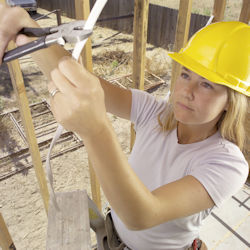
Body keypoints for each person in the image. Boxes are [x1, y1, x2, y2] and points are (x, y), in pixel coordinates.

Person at [0, 4, 249, 250]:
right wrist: (25, 26)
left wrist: (95, 130)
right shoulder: (155, 112)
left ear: (231, 101)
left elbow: (142, 215)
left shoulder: (227, 164)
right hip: (113, 234)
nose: (187, 92)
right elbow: (85, 84)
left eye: (207, 84)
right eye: (185, 74)